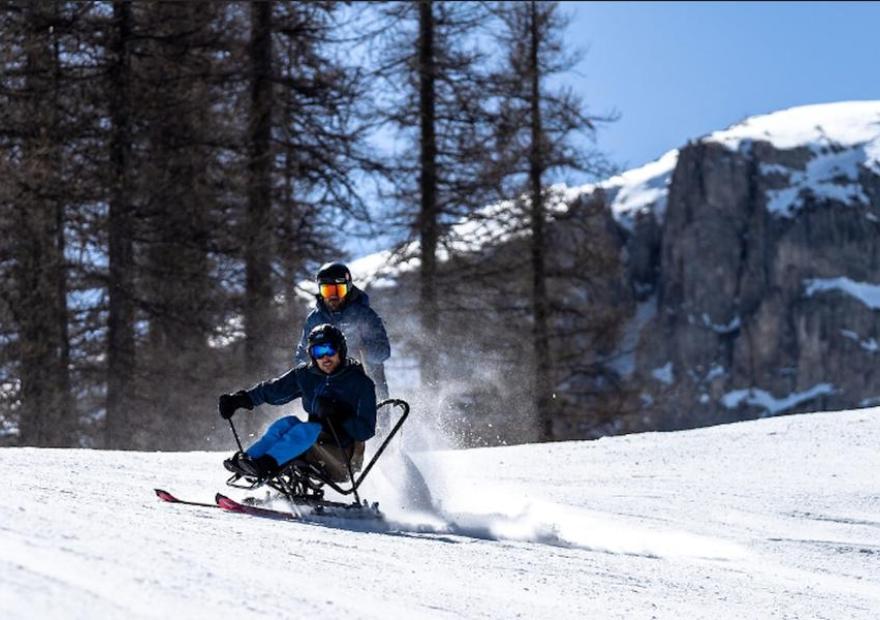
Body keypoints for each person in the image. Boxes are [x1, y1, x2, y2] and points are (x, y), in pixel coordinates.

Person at [219, 323, 377, 482]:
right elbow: (274, 390)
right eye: (318, 352)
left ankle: (267, 464)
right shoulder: (306, 375)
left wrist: (340, 414)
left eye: (329, 349)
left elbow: (366, 430)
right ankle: (251, 461)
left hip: (343, 457)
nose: (324, 357)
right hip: (313, 444)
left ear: (341, 350)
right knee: (287, 423)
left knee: (307, 428)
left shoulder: (360, 383)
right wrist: (242, 399)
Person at [295, 262, 391, 400]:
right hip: (329, 387)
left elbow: (383, 352)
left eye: (338, 290)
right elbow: (302, 355)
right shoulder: (315, 319)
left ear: (348, 288)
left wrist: (363, 348)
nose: (333, 297)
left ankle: (378, 418)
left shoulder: (365, 315)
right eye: (327, 291)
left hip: (368, 384)